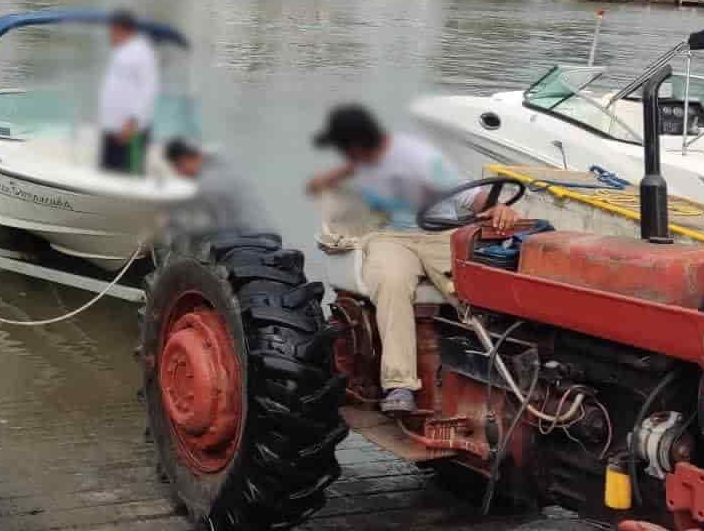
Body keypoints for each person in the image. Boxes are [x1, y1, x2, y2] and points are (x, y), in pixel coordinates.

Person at [306, 104, 519, 415]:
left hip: (441, 234)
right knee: (391, 281)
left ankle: (503, 368)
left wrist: (498, 207)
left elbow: (470, 198)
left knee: (476, 281)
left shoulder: (424, 159)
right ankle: (400, 384)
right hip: (389, 239)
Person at [98, 9, 160, 174]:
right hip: (113, 128)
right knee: (108, 176)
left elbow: (149, 89)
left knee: (127, 178)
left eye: (112, 31)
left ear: (122, 30)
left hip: (130, 130)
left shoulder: (142, 52)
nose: (109, 35)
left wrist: (133, 121)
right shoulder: (121, 51)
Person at [165, 138, 268, 233]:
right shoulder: (223, 165)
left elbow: (208, 225)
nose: (179, 172)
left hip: (252, 240)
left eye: (179, 165)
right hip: (265, 231)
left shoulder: (210, 183)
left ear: (188, 158)